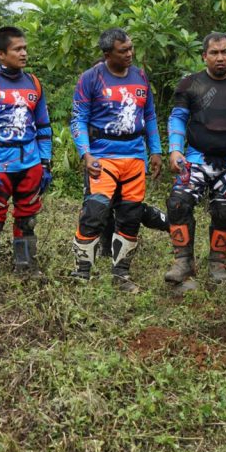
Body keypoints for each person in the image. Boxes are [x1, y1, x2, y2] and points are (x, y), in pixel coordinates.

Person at [163, 32, 226, 291]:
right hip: (195, 158)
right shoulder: (189, 84)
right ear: (204, 56)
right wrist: (175, 150)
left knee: (223, 212)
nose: (220, 58)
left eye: (225, 52)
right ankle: (183, 261)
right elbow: (177, 118)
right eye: (214, 53)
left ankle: (218, 263)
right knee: (177, 203)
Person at [69, 28, 162, 292]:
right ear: (108, 53)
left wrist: (155, 150)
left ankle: (121, 274)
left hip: (134, 157)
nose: (130, 54)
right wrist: (85, 153)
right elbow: (78, 118)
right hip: (102, 157)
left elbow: (150, 116)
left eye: (131, 48)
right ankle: (81, 273)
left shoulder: (140, 76)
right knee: (94, 213)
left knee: (130, 216)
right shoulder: (91, 78)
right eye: (124, 51)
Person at [0, 26, 53, 279]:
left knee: (28, 219)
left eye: (25, 48)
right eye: (18, 49)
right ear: (1, 54)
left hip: (30, 163)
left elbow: (44, 127)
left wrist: (45, 163)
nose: (24, 53)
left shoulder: (34, 82)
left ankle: (25, 267)